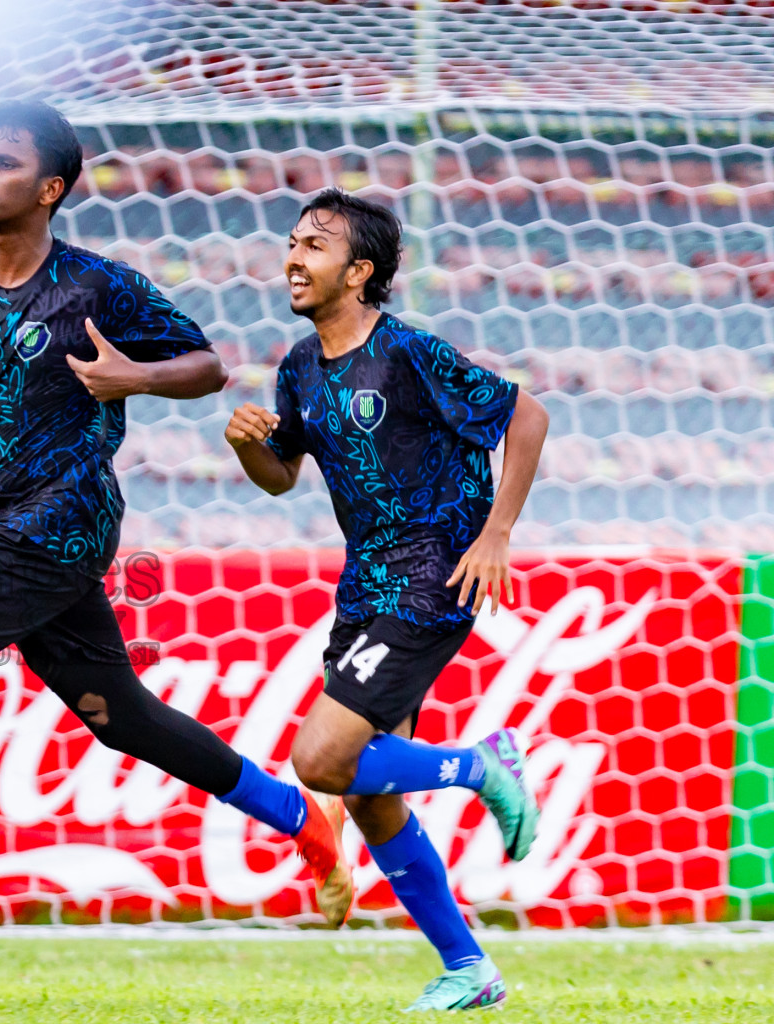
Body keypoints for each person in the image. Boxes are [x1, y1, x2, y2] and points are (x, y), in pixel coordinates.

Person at [0, 100, 356, 967]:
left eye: (3, 162)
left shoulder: (97, 285)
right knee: (118, 716)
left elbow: (205, 365)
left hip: (64, 519)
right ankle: (301, 817)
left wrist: (136, 375)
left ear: (49, 188)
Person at [224, 188, 550, 1011]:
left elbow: (528, 414)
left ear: (359, 271)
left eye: (314, 247)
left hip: (432, 575)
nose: (293, 257)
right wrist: (249, 449)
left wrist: (497, 533)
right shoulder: (299, 367)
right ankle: (468, 969)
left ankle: (482, 765)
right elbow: (281, 478)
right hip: (364, 583)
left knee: (318, 760)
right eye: (292, 241)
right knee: (370, 798)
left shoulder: (407, 353)